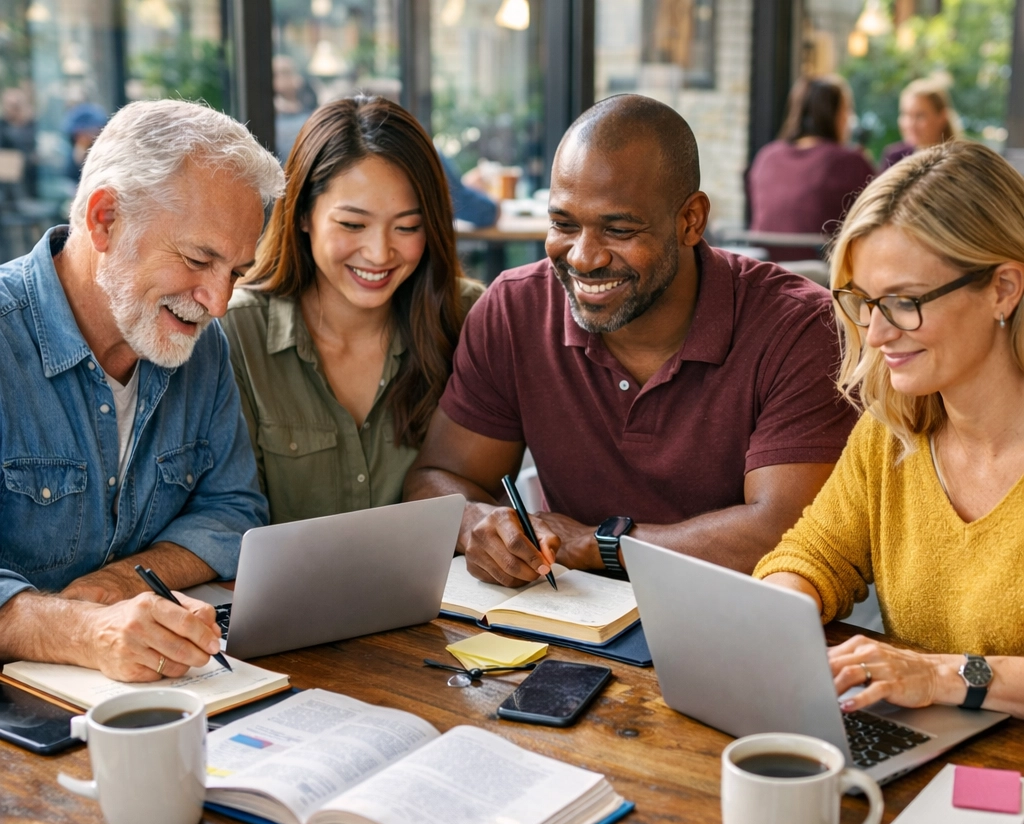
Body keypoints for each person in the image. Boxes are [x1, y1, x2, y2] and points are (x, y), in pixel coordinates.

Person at [404, 94, 858, 588]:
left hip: (736, 624)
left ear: (690, 220)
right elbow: (434, 479)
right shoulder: (514, 309)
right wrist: (477, 524)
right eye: (563, 224)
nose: (583, 257)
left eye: (618, 229)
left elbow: (790, 533)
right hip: (571, 617)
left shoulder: (800, 327)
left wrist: (601, 544)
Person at [0, 99, 284, 681]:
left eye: (235, 271)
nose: (218, 302)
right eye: (199, 258)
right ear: (105, 219)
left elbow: (233, 510)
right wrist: (79, 629)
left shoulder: (198, 345)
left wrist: (119, 584)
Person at [755, 141, 1024, 720]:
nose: (875, 334)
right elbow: (813, 555)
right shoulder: (892, 435)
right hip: (933, 750)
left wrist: (938, 674)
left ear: (1003, 288)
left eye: (904, 301)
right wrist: (782, 610)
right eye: (864, 301)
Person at [222, 97, 484, 524]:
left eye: (407, 227)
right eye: (352, 224)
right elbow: (228, 516)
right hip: (290, 592)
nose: (380, 253)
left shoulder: (469, 318)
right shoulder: (237, 332)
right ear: (303, 213)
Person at [747, 76, 875, 262]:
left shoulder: (767, 156)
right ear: (836, 115)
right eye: (847, 110)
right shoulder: (850, 161)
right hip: (824, 277)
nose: (850, 119)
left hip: (764, 273)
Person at [880, 77, 960, 171]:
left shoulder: (959, 161)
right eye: (905, 114)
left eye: (920, 116)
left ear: (942, 117)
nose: (911, 124)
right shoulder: (893, 158)